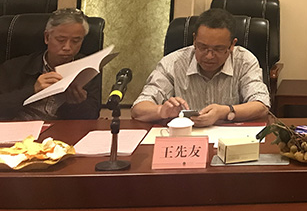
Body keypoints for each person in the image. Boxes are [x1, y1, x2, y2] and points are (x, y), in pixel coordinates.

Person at [131, 8, 270, 127]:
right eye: (202, 47)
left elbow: (261, 105)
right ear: (194, 40)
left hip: (229, 140)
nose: (209, 56)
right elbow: (138, 109)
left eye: (218, 49)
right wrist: (161, 111)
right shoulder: (173, 62)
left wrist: (225, 112)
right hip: (184, 139)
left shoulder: (244, 61)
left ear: (232, 45)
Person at [0, 8, 101, 121]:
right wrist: (32, 90)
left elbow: (92, 116)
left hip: (63, 129)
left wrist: (77, 103)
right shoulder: (13, 67)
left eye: (75, 41)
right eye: (61, 40)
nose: (67, 47)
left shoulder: (87, 69)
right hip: (23, 126)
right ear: (47, 37)